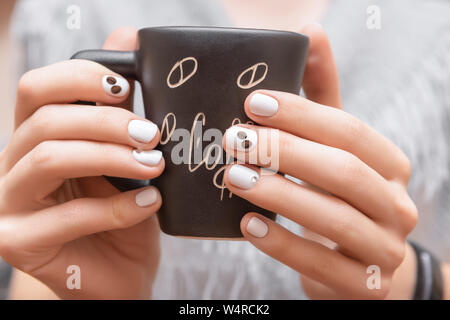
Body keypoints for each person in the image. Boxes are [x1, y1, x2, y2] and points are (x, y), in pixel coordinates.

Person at [0, 0, 449, 299]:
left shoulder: (434, 24)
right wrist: (74, 286)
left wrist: (408, 282)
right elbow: (37, 263)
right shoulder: (64, 8)